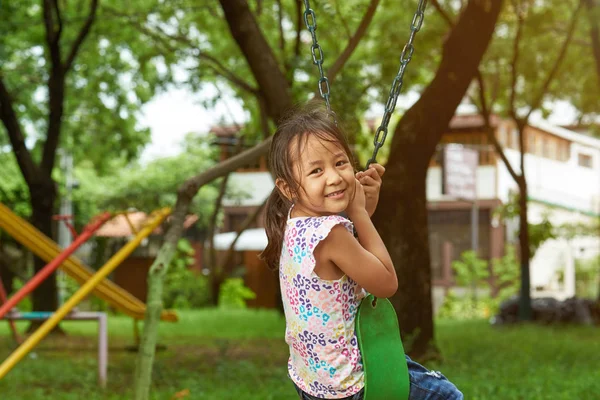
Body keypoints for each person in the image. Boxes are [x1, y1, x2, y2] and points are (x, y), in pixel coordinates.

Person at [261, 103, 463, 400]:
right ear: (288, 187)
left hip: (314, 381)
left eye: (340, 163)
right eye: (317, 170)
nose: (334, 177)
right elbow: (385, 283)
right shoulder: (331, 235)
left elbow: (352, 255)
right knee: (448, 397)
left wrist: (364, 209)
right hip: (354, 379)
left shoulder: (295, 220)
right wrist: (360, 214)